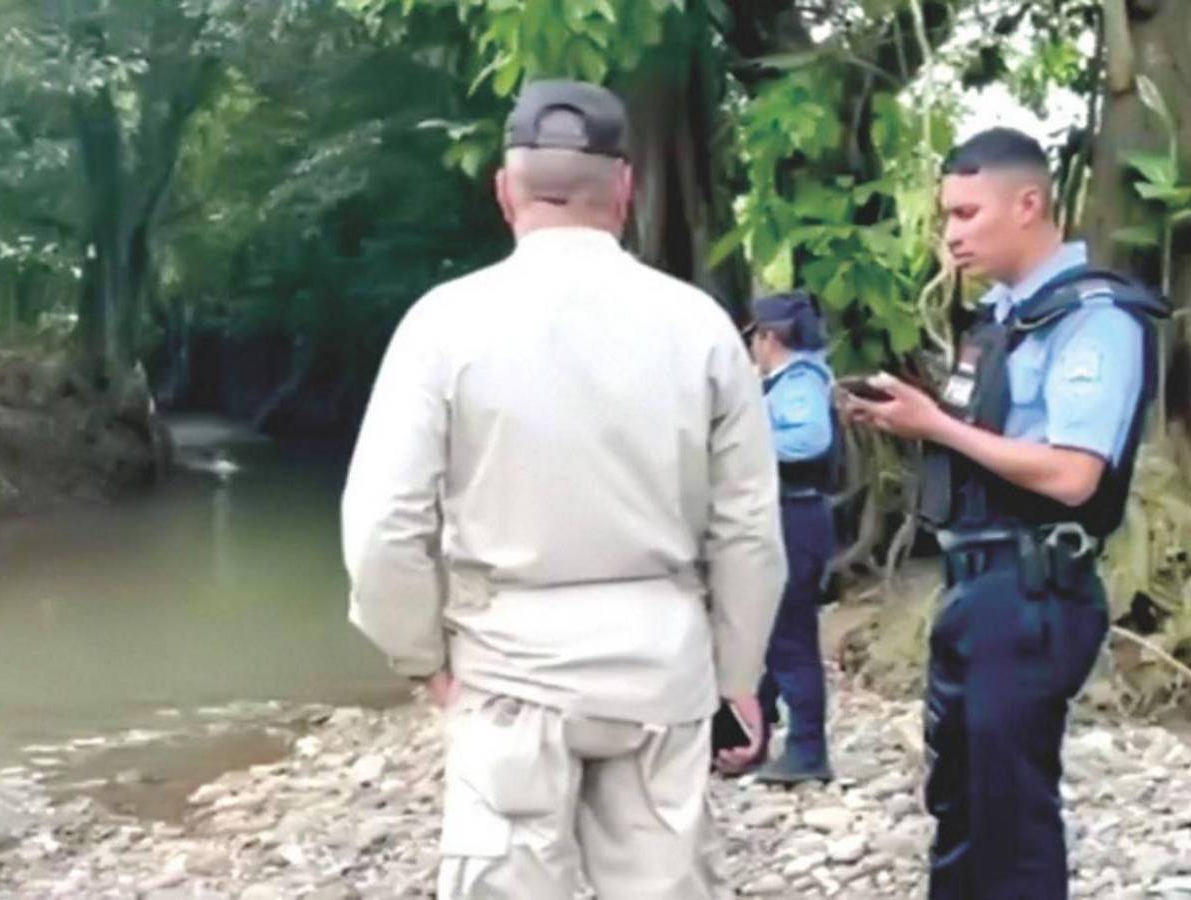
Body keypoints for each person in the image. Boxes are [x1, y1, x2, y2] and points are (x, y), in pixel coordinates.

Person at [340, 79, 786, 900]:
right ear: (625, 189)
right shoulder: (701, 328)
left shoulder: (443, 324)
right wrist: (737, 678)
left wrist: (423, 660)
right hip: (662, 667)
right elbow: (750, 529)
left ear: (505, 190)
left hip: (509, 670)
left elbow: (383, 526)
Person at [840, 128, 1168, 899]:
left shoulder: (1094, 319)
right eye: (945, 216)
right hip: (974, 589)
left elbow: (1073, 475)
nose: (951, 234)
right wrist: (906, 419)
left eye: (966, 213)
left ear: (1028, 204)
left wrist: (937, 427)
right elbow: (980, 435)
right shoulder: (998, 320)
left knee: (1010, 822)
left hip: (1032, 593)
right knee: (958, 808)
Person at [742, 292, 839, 784]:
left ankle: (806, 748)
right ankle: (751, 736)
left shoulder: (798, 383)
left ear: (769, 336)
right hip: (788, 515)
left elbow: (810, 439)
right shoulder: (789, 381)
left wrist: (742, 449)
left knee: (788, 636)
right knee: (769, 631)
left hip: (794, 516)